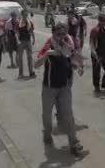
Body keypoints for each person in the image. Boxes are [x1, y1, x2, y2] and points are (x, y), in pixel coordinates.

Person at [35, 23, 86, 157]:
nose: (62, 37)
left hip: (64, 87)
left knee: (68, 115)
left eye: (64, 34)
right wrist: (47, 54)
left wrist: (79, 67)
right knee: (47, 114)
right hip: (49, 87)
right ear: (53, 34)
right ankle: (47, 134)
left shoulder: (67, 45)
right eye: (58, 34)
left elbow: (72, 60)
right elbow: (36, 64)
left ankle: (74, 143)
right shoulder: (48, 45)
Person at [90, 14, 105, 93]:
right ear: (99, 21)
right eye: (102, 21)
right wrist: (93, 52)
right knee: (96, 71)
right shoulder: (94, 30)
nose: (104, 23)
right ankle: (96, 86)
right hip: (97, 53)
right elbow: (92, 43)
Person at [17, 9, 36, 79]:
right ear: (22, 15)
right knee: (20, 58)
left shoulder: (30, 22)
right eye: (24, 14)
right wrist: (17, 41)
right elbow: (17, 33)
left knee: (30, 57)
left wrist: (33, 39)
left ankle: (31, 71)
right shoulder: (19, 22)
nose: (25, 16)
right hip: (21, 41)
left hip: (28, 41)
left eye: (26, 14)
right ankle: (20, 72)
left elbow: (31, 31)